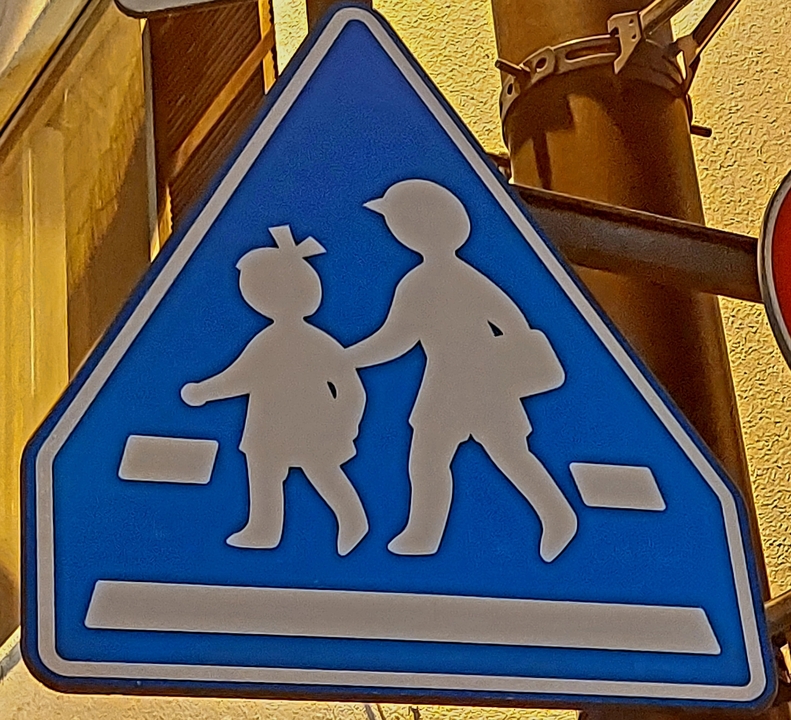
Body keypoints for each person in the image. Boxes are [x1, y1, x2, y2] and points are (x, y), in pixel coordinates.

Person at [350, 179, 577, 561]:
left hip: (460, 385)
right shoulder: (468, 276)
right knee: (487, 456)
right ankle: (553, 515)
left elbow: (397, 339)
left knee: (436, 460)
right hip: (472, 384)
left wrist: (346, 358)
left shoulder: (423, 282)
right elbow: (513, 320)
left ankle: (428, 534)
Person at [181, 225, 369, 556]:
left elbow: (350, 386)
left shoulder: (313, 343)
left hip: (311, 425)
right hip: (268, 429)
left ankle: (353, 521)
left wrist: (346, 422)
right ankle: (264, 529)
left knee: (321, 472)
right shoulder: (270, 341)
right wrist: (205, 391)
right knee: (265, 471)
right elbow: (239, 377)